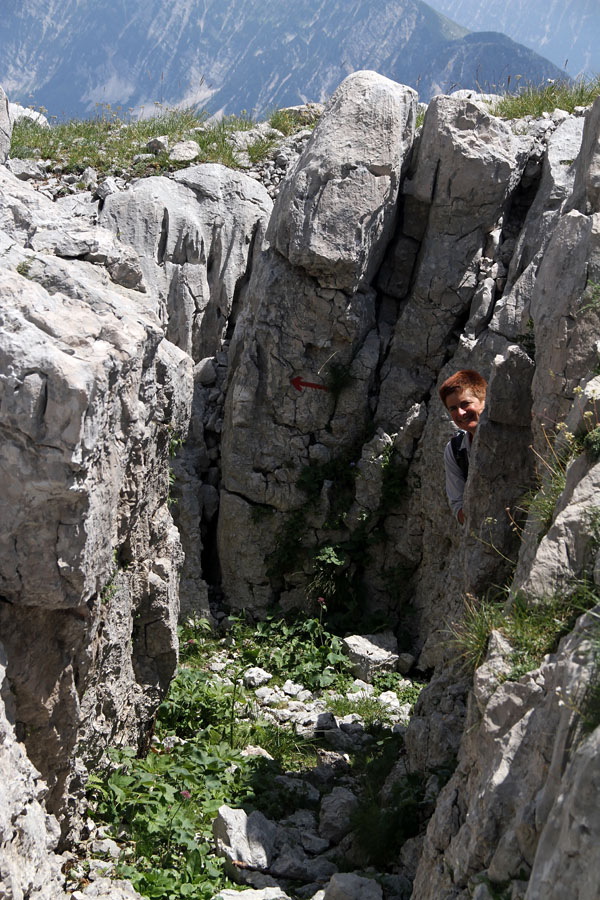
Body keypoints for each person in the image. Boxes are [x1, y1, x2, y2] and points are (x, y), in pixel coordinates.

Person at [439, 369, 487, 525]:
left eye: (465, 404)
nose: (460, 413)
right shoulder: (454, 450)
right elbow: (457, 503)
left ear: (483, 400)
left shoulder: (509, 434)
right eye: (453, 408)